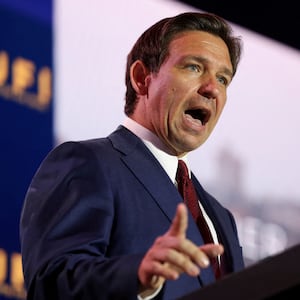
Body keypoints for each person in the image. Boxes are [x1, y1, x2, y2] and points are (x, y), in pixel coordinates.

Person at [19, 11, 245, 300]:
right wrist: (138, 277)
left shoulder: (221, 218)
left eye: (223, 79)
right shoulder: (88, 163)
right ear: (141, 79)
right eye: (193, 67)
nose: (212, 88)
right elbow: (51, 284)